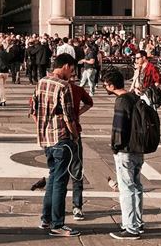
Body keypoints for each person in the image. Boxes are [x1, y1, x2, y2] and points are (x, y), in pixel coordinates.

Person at [31, 53, 81, 237]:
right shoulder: (63, 86)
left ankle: (46, 219)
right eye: (72, 70)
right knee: (60, 182)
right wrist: (75, 136)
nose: (72, 74)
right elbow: (69, 117)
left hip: (46, 139)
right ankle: (57, 225)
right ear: (66, 66)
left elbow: (33, 111)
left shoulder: (41, 82)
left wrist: (43, 128)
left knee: (52, 179)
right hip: (62, 138)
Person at [102, 66, 144, 240]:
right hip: (138, 149)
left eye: (105, 84)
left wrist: (115, 147)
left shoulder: (121, 101)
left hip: (125, 150)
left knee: (126, 189)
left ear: (111, 85)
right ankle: (138, 223)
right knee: (137, 187)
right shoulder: (135, 97)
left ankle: (130, 227)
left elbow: (118, 128)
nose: (105, 87)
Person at [68, 64, 94, 221]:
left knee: (68, 172)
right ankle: (76, 206)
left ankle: (75, 206)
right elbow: (89, 103)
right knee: (74, 171)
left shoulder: (76, 90)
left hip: (66, 134)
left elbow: (89, 102)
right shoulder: (73, 89)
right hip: (73, 134)